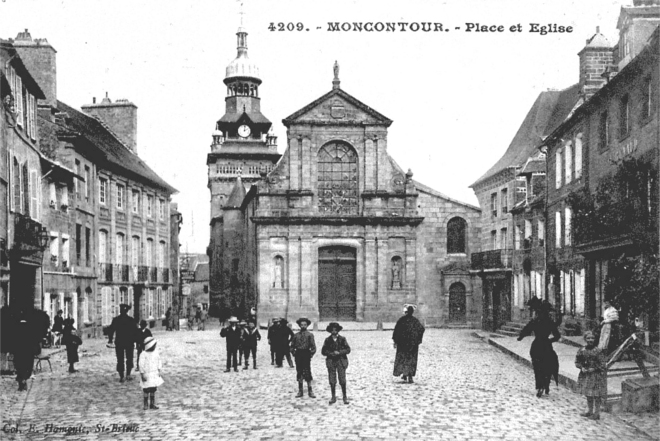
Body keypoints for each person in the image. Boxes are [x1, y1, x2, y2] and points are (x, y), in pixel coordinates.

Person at [517, 299, 561, 397]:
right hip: (546, 346)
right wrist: (550, 340)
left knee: (537, 368)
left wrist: (520, 337)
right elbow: (557, 336)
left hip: (536, 346)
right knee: (547, 365)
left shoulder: (535, 321)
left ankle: (540, 385)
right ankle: (546, 384)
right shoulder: (550, 323)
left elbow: (526, 330)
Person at [575, 330, 607, 420]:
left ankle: (597, 413)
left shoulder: (598, 351)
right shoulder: (582, 350)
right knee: (588, 394)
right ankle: (590, 411)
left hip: (596, 375)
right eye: (588, 338)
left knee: (596, 395)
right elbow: (577, 361)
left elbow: (603, 364)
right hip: (586, 376)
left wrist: (595, 368)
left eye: (592, 338)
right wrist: (581, 368)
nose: (590, 340)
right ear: (585, 339)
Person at [392, 304, 425, 383]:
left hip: (402, 344)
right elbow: (421, 329)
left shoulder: (401, 320)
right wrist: (417, 340)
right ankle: (409, 375)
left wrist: (396, 341)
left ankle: (404, 373)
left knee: (403, 359)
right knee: (411, 359)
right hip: (412, 345)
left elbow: (396, 331)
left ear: (406, 312)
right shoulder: (415, 321)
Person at [12, 308, 42, 391]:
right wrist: (36, 351)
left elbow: (12, 340)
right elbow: (35, 340)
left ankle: (21, 380)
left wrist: (12, 350)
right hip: (28, 353)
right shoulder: (31, 328)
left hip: (18, 352)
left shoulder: (15, 328)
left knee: (19, 366)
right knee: (27, 367)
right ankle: (24, 379)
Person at [321, 322, 351, 404]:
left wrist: (340, 352)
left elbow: (348, 349)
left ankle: (345, 397)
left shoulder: (342, 339)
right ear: (330, 331)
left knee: (342, 380)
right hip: (331, 361)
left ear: (338, 330)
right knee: (332, 380)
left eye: (335, 330)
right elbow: (323, 351)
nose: (334, 332)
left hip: (341, 361)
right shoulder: (327, 340)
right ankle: (333, 396)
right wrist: (331, 353)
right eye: (332, 330)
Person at [107, 304, 138, 382]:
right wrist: (137, 341)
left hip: (120, 342)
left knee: (120, 359)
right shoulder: (131, 320)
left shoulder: (116, 320)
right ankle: (128, 374)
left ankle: (122, 376)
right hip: (129, 342)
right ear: (127, 311)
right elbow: (136, 332)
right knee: (129, 358)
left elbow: (111, 330)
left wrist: (110, 340)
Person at [290, 318, 316, 398]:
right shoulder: (296, 335)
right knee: (299, 371)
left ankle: (310, 390)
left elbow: (313, 347)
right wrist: (294, 353)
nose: (303, 326)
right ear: (299, 326)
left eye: (305, 325)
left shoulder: (310, 335)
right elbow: (292, 346)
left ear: (307, 325)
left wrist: (310, 354)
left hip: (306, 354)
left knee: (307, 371)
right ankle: (300, 390)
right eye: (302, 325)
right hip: (298, 354)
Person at [138, 336, 163, 410]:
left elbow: (159, 361)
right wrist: (142, 374)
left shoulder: (156, 353)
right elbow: (141, 364)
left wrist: (159, 370)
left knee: (153, 389)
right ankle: (145, 404)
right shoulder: (143, 354)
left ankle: (152, 403)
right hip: (146, 374)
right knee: (146, 389)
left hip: (154, 373)